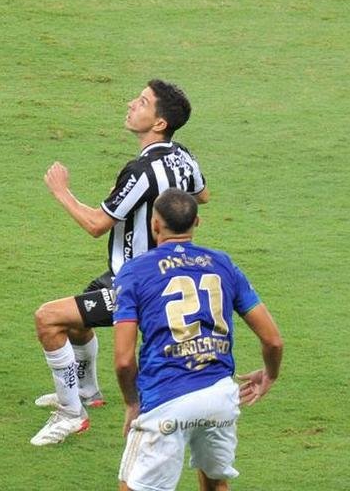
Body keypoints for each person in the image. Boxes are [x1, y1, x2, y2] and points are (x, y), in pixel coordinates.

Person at [29, 80, 209, 446]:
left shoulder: (141, 172)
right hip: (141, 273)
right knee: (79, 321)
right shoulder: (183, 156)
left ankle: (70, 415)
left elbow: (97, 224)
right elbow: (201, 195)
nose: (131, 104)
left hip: (138, 284)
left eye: (142, 102)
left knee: (48, 319)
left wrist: (62, 192)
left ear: (159, 123)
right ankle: (87, 390)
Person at [114, 189, 284, 491]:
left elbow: (125, 359)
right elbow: (273, 341)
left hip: (167, 399)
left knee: (134, 485)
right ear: (197, 222)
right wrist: (269, 373)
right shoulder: (223, 265)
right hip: (219, 397)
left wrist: (132, 403)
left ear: (155, 225)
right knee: (215, 482)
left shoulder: (135, 272)